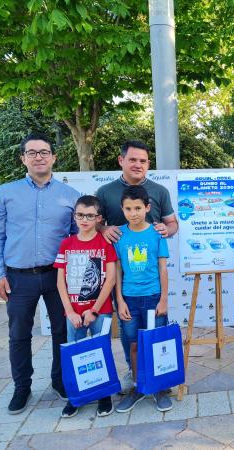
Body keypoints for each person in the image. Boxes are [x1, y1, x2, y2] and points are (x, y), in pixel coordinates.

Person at [0, 132, 80, 414]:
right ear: (23, 158)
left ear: (54, 157)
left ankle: (60, 381)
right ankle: (22, 387)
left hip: (57, 277)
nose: (39, 157)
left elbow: (78, 238)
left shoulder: (70, 195)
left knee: (62, 331)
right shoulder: (5, 193)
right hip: (18, 277)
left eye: (44, 152)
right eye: (32, 152)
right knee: (19, 334)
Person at [96, 140, 178, 390]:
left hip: (151, 281)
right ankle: (135, 374)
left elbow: (173, 224)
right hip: (122, 274)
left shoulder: (160, 191)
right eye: (132, 159)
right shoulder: (105, 192)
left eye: (143, 161)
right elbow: (94, 223)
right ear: (121, 161)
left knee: (155, 332)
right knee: (129, 334)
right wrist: (104, 228)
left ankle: (158, 377)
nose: (138, 165)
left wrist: (167, 228)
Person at [53, 195, 117, 418]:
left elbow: (110, 279)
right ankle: (76, 397)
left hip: (100, 310)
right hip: (74, 312)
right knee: (75, 355)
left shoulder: (104, 243)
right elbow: (60, 280)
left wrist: (94, 310)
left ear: (98, 218)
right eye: (80, 215)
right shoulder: (67, 244)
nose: (84, 219)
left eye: (90, 215)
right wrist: (70, 311)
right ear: (74, 216)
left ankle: (104, 395)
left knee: (102, 351)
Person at [112, 185, 173, 413]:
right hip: (129, 298)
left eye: (138, 208)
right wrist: (120, 300)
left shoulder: (157, 234)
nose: (133, 213)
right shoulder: (119, 235)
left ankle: (157, 388)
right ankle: (138, 387)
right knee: (134, 345)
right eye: (128, 209)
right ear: (122, 209)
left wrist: (164, 299)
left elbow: (163, 269)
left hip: (154, 297)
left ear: (147, 208)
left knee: (155, 342)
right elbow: (117, 270)